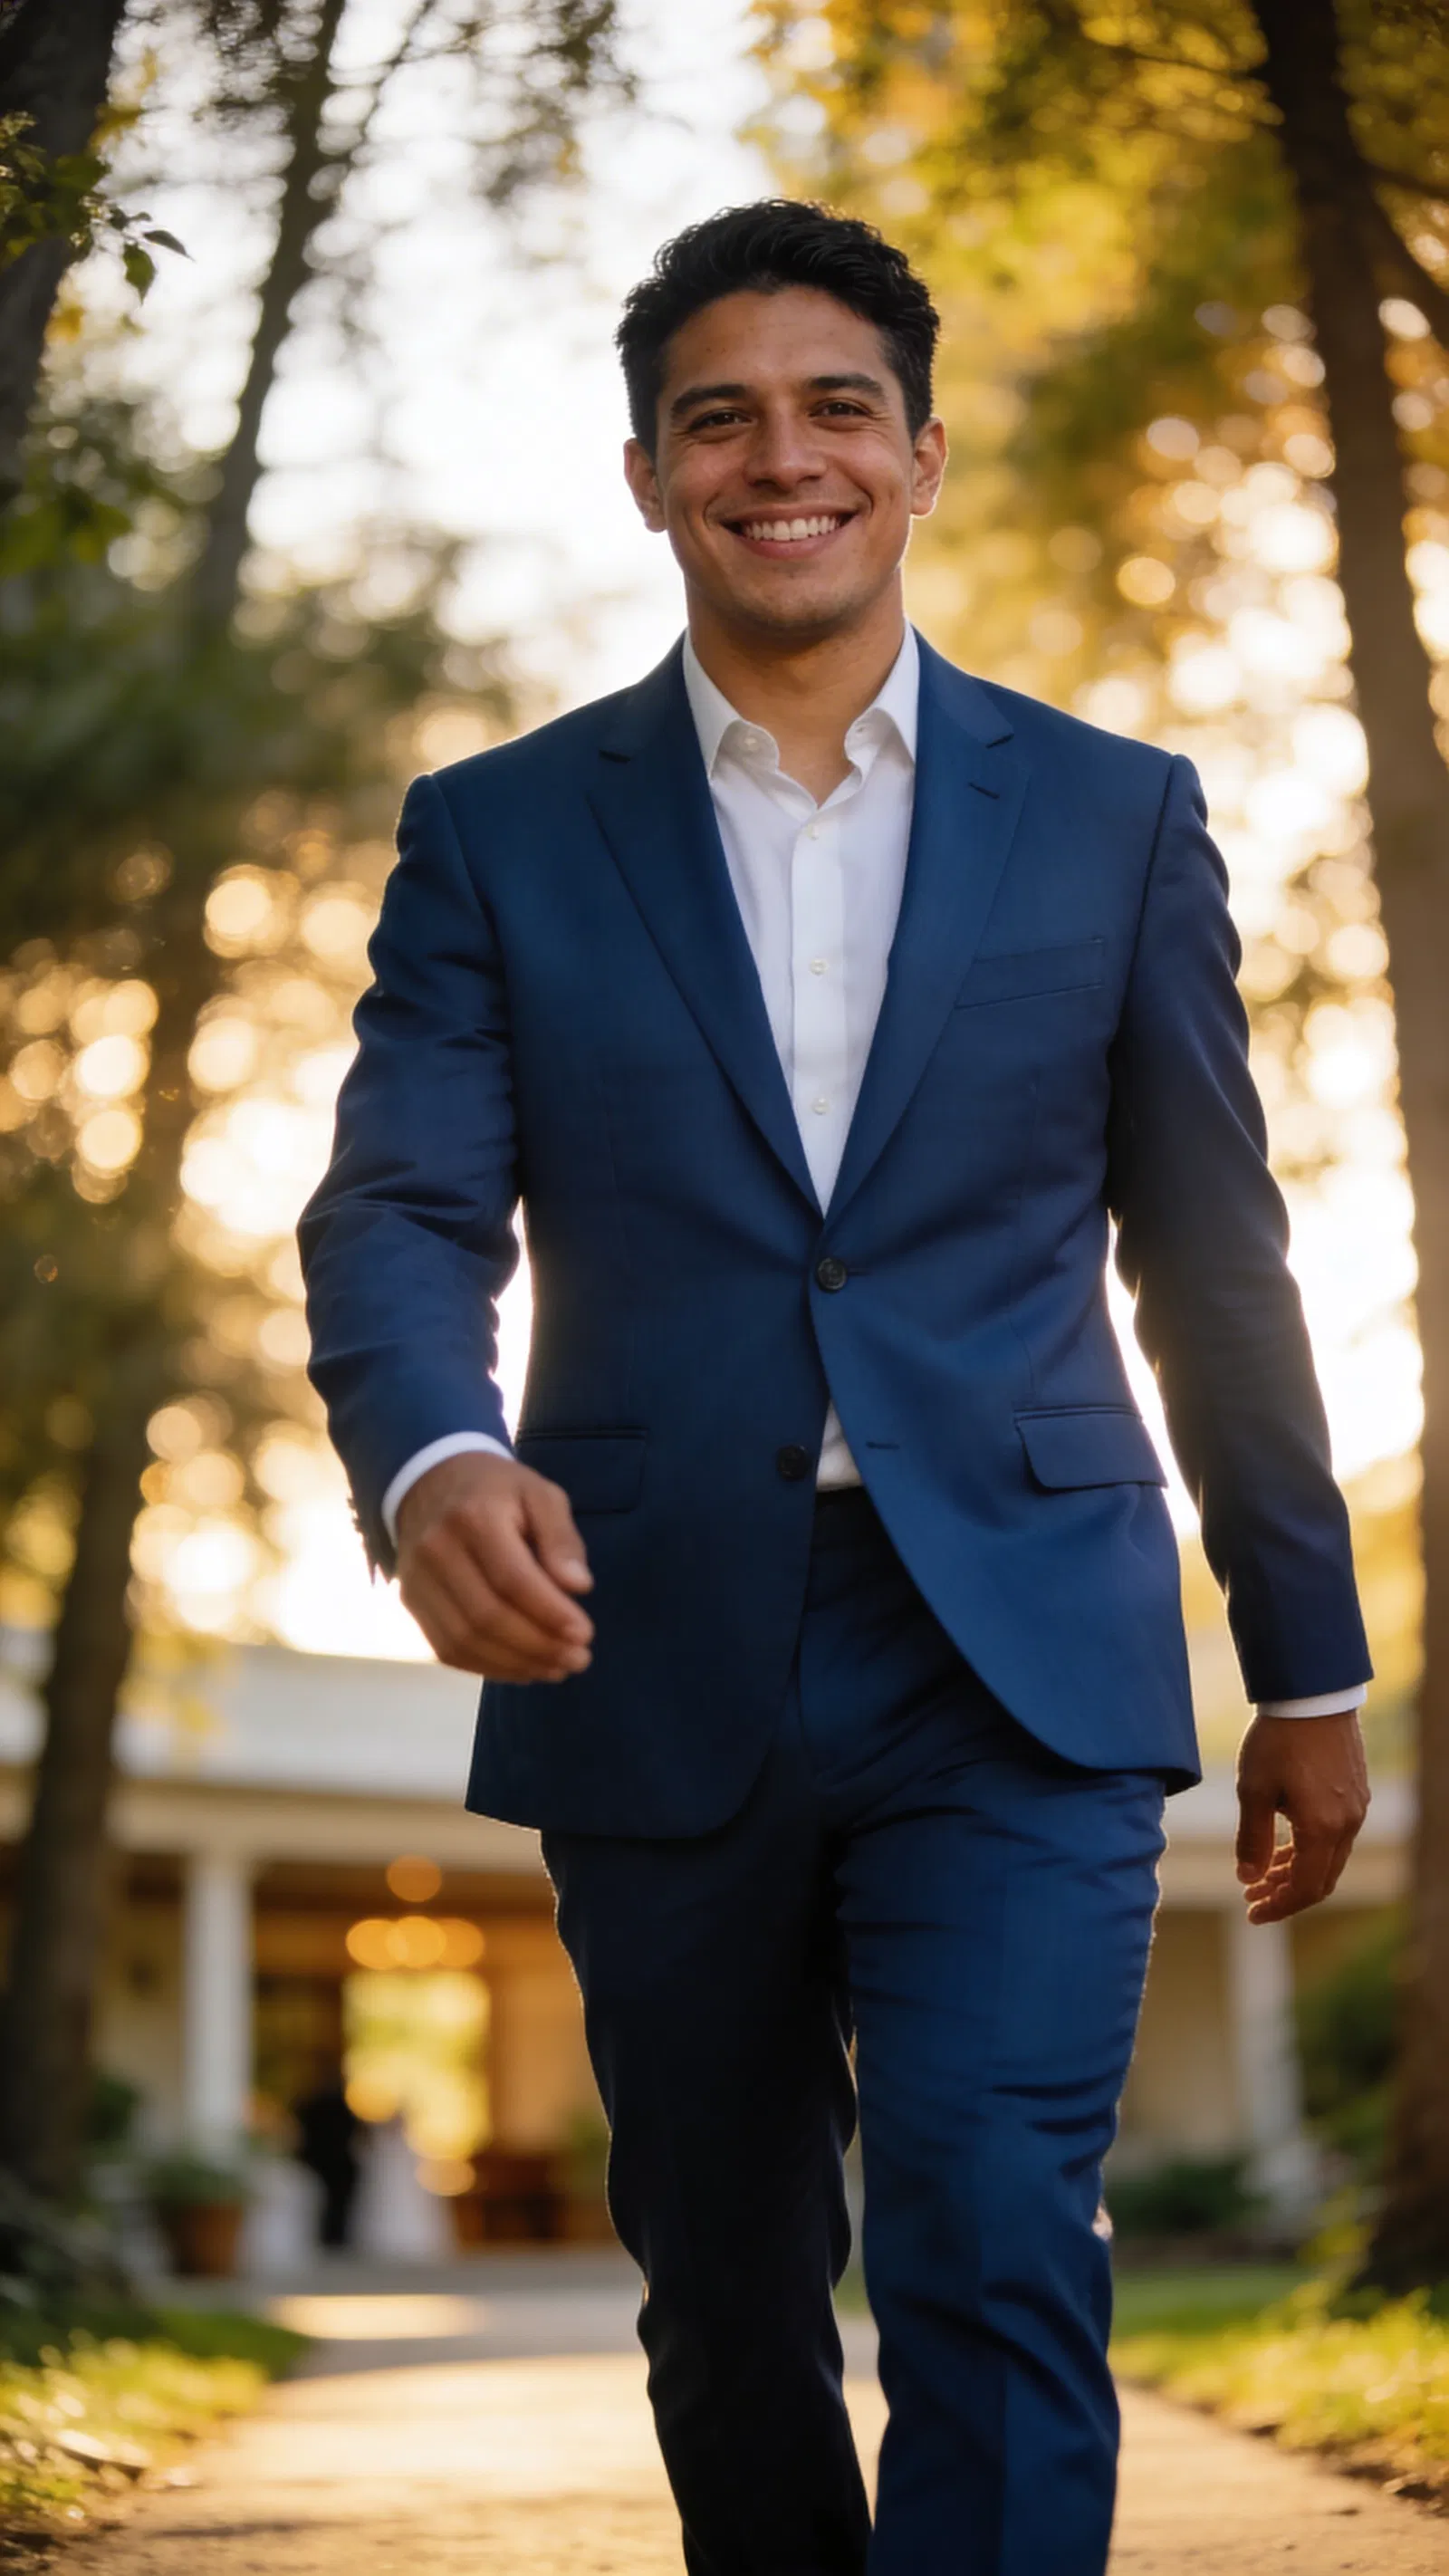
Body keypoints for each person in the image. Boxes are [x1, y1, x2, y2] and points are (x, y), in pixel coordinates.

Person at [299, 200, 1372, 2576]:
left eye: (832, 407)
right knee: (727, 2289)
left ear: (921, 452)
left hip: (1018, 1636)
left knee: (998, 2235)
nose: (779, 457)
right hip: (647, 1628)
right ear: (648, 472)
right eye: (721, 417)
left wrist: (1305, 1646)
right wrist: (434, 1452)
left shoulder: (1113, 815)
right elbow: (397, 1208)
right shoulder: (499, 833)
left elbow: (1213, 1250)